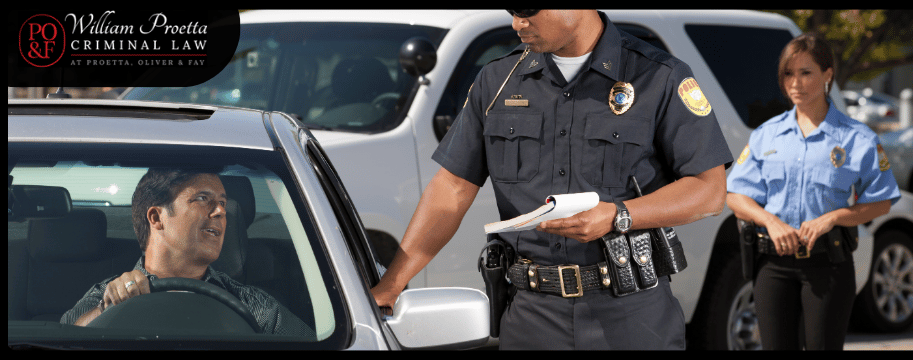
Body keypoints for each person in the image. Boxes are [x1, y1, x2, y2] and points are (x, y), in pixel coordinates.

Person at [371, 10, 732, 350]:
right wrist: (392, 284)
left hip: (632, 314)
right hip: (531, 316)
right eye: (511, 10)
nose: (517, 23)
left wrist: (618, 215)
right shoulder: (498, 81)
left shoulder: (659, 76)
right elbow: (451, 189)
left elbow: (709, 190)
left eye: (527, 9)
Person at [726, 33, 900, 350]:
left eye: (806, 72)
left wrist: (832, 218)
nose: (795, 83)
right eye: (788, 74)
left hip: (828, 267)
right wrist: (771, 222)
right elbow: (735, 196)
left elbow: (881, 202)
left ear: (827, 75)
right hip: (772, 266)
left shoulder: (857, 138)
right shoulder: (767, 134)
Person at [61, 167, 314, 338]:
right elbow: (62, 341)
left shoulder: (253, 305)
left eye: (223, 203)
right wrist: (110, 308)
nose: (220, 212)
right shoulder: (104, 295)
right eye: (203, 198)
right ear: (157, 217)